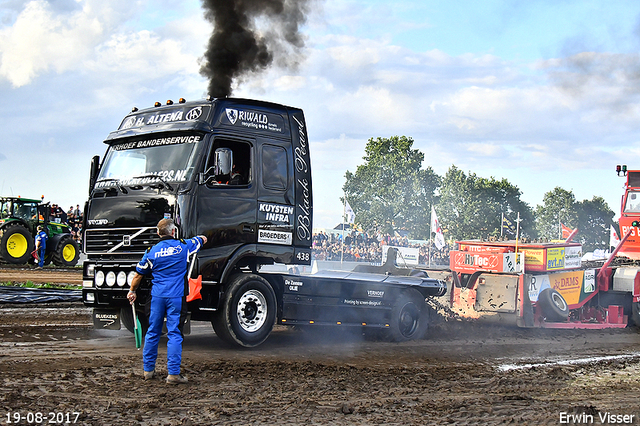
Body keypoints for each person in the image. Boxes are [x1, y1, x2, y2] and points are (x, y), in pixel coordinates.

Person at [127, 219, 207, 385]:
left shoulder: (151, 251)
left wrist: (132, 291)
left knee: (152, 332)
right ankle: (173, 375)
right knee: (174, 334)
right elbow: (201, 240)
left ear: (158, 233)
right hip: (176, 298)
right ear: (173, 232)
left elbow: (138, 275)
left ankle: (148, 371)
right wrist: (202, 237)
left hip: (156, 297)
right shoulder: (184, 246)